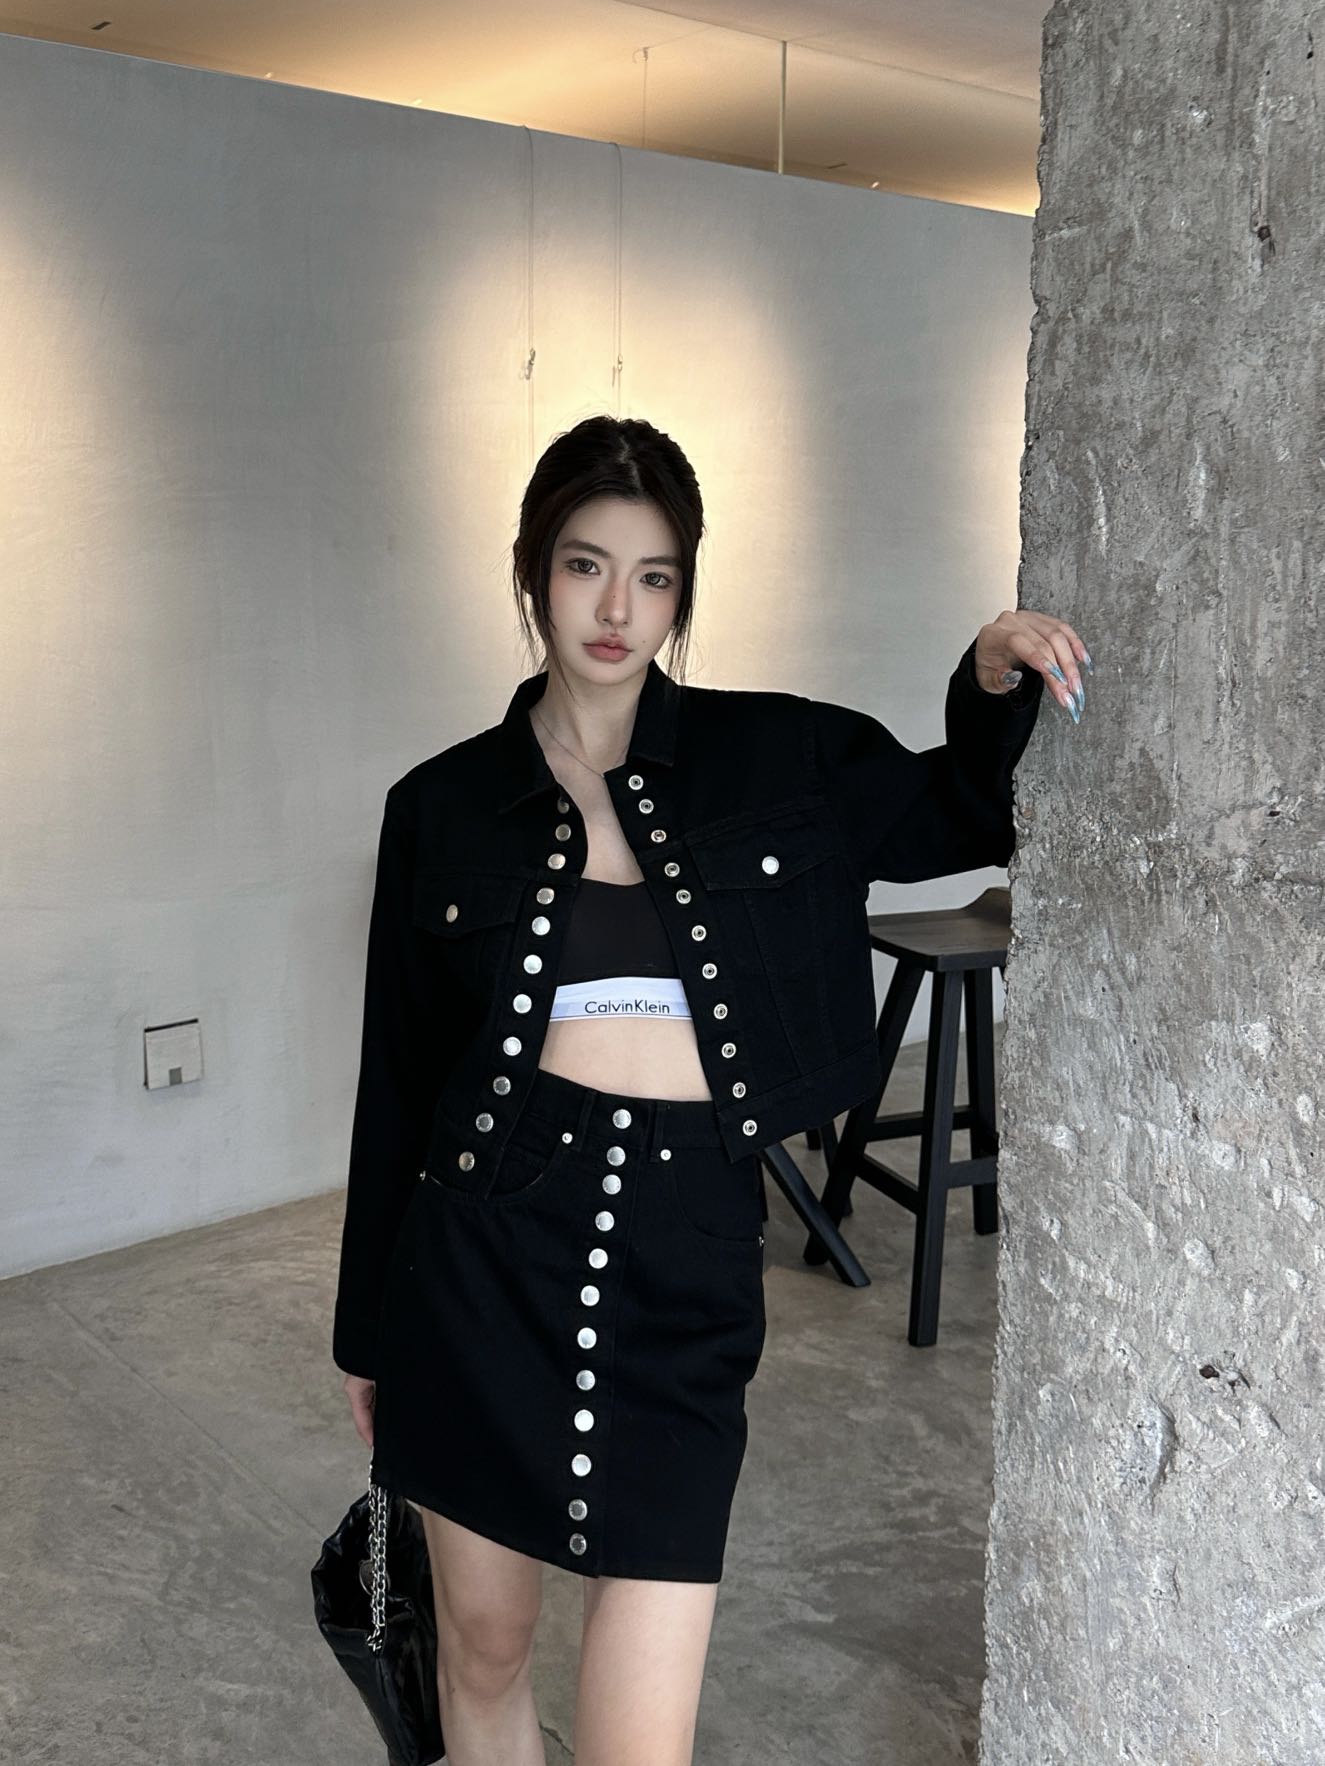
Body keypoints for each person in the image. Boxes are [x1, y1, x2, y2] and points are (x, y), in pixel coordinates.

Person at [331, 414, 1089, 1766]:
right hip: (481, 1253)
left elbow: (962, 814)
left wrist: (986, 681)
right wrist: (364, 1335)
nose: (616, 610)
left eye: (653, 576)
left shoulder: (777, 758)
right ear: (533, 572)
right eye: (585, 566)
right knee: (483, 1656)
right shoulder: (438, 806)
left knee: (641, 1737)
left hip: (688, 1257)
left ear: (683, 591)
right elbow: (395, 1079)